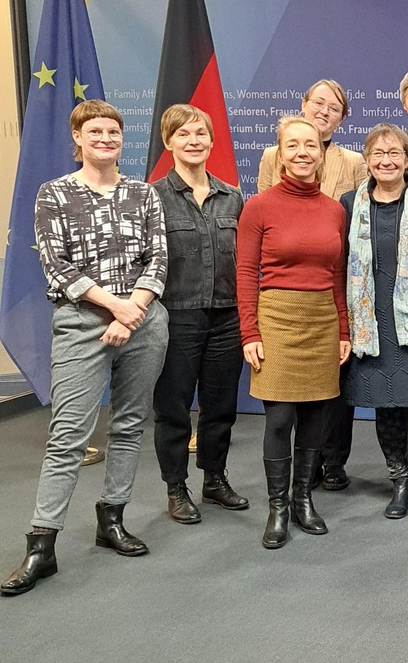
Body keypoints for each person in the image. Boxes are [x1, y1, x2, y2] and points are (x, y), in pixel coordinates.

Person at [1, 100, 168, 595]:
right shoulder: (53, 194)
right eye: (95, 131)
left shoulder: (142, 193)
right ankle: (41, 545)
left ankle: (111, 519)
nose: (105, 138)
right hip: (82, 323)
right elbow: (59, 268)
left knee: (130, 422)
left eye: (113, 131)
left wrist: (132, 310)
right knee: (68, 435)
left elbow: (157, 257)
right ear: (77, 138)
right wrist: (115, 309)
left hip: (144, 320)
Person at [237, 116, 351, 549]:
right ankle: (278, 508)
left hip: (322, 318)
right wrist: (249, 331)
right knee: (280, 417)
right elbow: (246, 272)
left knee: (317, 418)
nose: (303, 153)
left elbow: (337, 275)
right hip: (276, 318)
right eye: (293, 146)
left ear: (322, 152)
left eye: (311, 145)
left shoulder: (334, 209)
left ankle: (303, 500)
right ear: (280, 153)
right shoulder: (259, 206)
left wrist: (343, 327)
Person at [257, 79, 367, 490]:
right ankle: (283, 499)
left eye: (334, 107)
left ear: (342, 117)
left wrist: (343, 321)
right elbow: (260, 243)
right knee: (282, 414)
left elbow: (348, 243)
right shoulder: (269, 170)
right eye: (317, 103)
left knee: (328, 401)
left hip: (327, 296)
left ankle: (327, 468)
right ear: (303, 104)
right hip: (280, 304)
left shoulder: (352, 164)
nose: (324, 111)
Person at [340, 124, 408, 523]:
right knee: (386, 408)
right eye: (377, 154)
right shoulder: (349, 202)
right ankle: (399, 483)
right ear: (367, 160)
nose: (386, 161)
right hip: (371, 323)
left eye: (394, 154)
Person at [150, 104, 248, 525]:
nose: (193, 142)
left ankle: (214, 478)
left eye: (200, 134)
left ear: (212, 141)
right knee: (173, 408)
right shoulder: (151, 197)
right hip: (176, 317)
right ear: (168, 142)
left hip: (227, 316)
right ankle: (176, 487)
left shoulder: (233, 197)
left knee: (220, 406)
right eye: (183, 135)